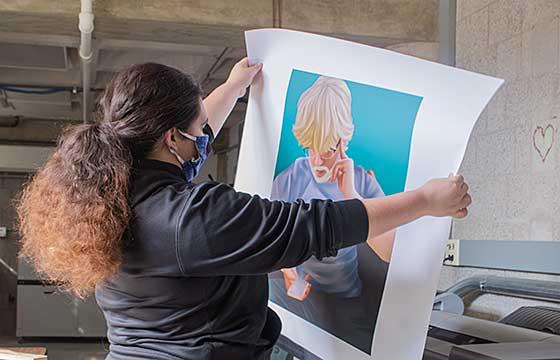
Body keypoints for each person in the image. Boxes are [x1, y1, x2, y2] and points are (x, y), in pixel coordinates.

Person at [17, 58, 471, 360]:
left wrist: (233, 87)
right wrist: (427, 200)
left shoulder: (110, 190)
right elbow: (314, 225)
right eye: (197, 129)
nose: (204, 136)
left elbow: (193, 129)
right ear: (171, 138)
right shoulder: (191, 218)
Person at [269, 76, 395, 351]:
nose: (315, 160)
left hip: (349, 304)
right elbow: (269, 239)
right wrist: (288, 269)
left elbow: (391, 252)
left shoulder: (362, 181)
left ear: (342, 141)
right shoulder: (289, 179)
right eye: (309, 146)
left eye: (325, 149)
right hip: (302, 299)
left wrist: (353, 197)